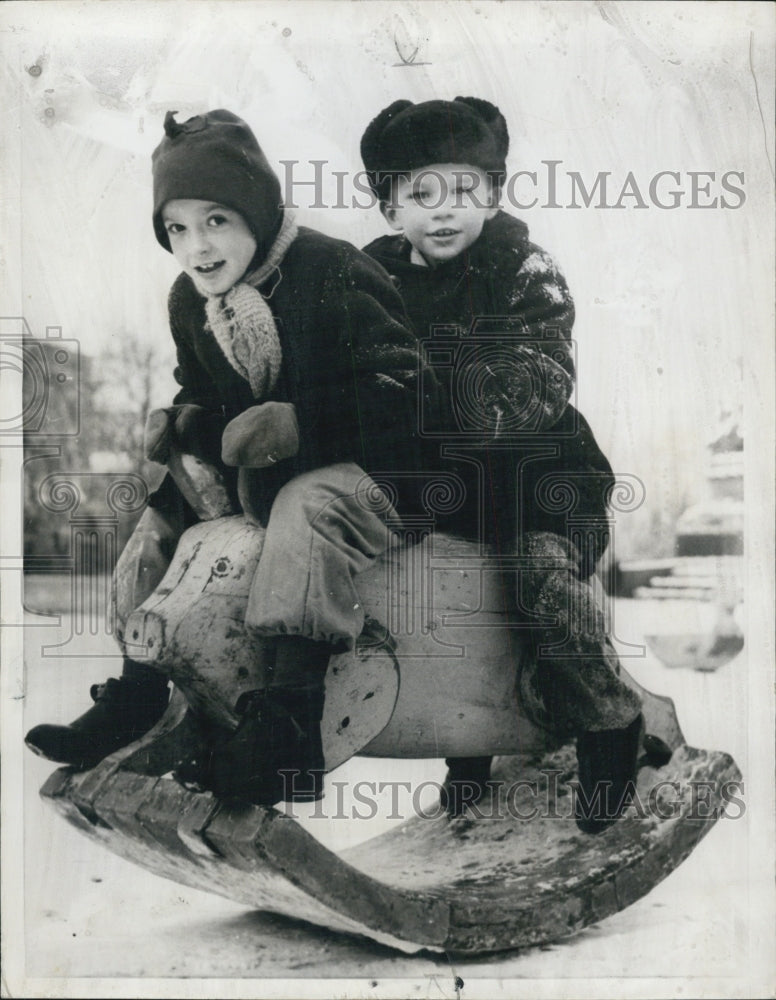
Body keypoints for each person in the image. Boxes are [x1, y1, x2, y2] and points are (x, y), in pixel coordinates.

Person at [26, 108, 430, 807]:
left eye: (216, 219)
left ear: (258, 211)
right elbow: (207, 394)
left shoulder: (331, 271)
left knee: (308, 504)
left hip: (390, 477)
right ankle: (139, 689)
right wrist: (187, 427)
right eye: (177, 228)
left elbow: (404, 389)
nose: (198, 246)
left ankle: (291, 726)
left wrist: (305, 424)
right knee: (165, 503)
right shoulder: (191, 301)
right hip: (273, 475)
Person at [360, 97, 648, 831]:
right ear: (391, 207)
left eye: (463, 190)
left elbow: (536, 378)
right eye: (419, 194)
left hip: (534, 469)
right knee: (429, 592)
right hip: (437, 478)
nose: (444, 210)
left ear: (492, 193)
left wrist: (428, 392)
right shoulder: (370, 279)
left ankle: (609, 722)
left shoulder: (522, 267)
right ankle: (471, 733)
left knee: (536, 573)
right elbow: (344, 359)